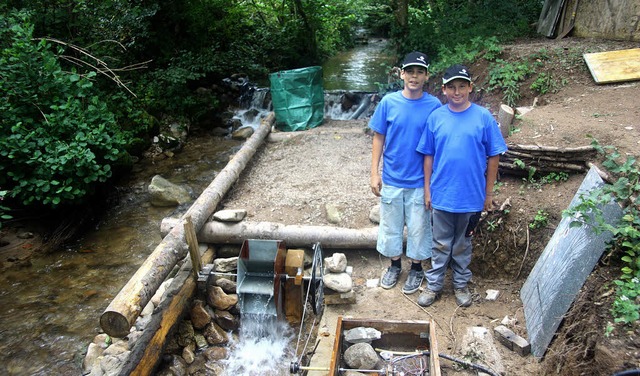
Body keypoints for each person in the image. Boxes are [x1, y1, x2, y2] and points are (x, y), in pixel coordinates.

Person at [416, 64, 507, 307]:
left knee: (463, 243)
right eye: (452, 87)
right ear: (444, 90)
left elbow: (494, 155)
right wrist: (427, 189)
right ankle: (434, 285)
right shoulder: (436, 117)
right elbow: (428, 156)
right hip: (442, 195)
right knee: (441, 243)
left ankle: (460, 284)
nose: (457, 92)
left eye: (462, 87)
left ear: (470, 88)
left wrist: (488, 194)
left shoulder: (483, 117)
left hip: (471, 196)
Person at [369, 51, 442, 294]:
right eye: (410, 71)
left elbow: (438, 143)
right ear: (402, 74)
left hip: (421, 181)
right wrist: (374, 173)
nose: (414, 76)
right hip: (392, 177)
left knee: (419, 226)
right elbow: (379, 138)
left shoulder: (434, 106)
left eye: (419, 71)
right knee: (391, 226)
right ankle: (394, 265)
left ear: (426, 76)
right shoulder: (389, 102)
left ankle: (417, 268)